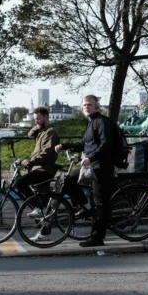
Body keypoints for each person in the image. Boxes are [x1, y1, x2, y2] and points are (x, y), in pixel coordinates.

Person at [55, 95, 118, 248]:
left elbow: (106, 144)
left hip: (101, 166)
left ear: (96, 106)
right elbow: (84, 144)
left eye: (89, 104)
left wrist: (90, 157)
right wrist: (64, 146)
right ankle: (86, 207)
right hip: (90, 165)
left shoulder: (102, 122)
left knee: (100, 203)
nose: (86, 107)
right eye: (84, 105)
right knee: (68, 180)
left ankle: (97, 238)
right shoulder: (91, 123)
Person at [17, 107, 60, 216]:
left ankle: (39, 208)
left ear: (46, 117)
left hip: (45, 169)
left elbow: (46, 153)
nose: (36, 121)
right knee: (42, 195)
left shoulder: (51, 132)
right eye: (35, 119)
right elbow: (30, 134)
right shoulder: (42, 131)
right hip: (39, 167)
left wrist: (31, 162)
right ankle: (43, 211)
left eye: (38, 119)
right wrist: (38, 125)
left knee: (19, 183)